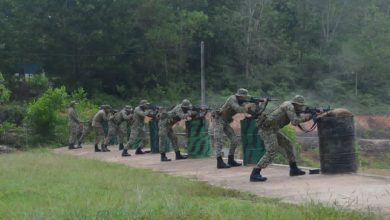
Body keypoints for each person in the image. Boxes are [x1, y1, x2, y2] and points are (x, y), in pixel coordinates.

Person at [250, 95, 314, 182]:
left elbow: (296, 117)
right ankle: (255, 173)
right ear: (296, 104)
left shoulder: (291, 107)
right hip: (267, 130)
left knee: (288, 144)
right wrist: (308, 116)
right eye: (300, 106)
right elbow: (295, 121)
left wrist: (307, 114)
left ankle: (293, 169)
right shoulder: (289, 106)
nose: (302, 107)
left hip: (272, 129)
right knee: (271, 151)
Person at [212, 88, 257, 169]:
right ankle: (219, 162)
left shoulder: (241, 102)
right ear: (239, 96)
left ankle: (231, 159)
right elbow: (238, 109)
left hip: (225, 122)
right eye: (243, 97)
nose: (244, 98)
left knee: (234, 140)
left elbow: (249, 111)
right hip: (219, 120)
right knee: (219, 140)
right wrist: (248, 105)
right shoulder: (232, 99)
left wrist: (257, 105)